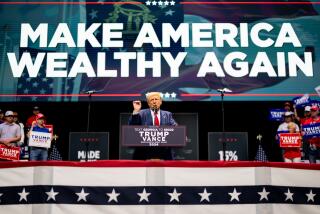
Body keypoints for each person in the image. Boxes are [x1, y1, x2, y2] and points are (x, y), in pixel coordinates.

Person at [128, 92, 177, 160]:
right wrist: (136, 111)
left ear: (160, 102)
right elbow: (132, 127)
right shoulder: (141, 113)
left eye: (156, 99)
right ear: (148, 103)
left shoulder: (168, 114)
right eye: (152, 100)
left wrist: (181, 135)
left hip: (164, 152)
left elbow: (175, 128)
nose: (154, 101)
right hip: (144, 152)